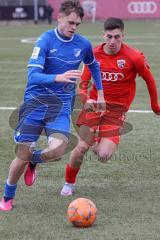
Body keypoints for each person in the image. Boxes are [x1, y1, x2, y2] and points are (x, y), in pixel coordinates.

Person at [0, 0, 105, 212]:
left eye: (77, 24)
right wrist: (59, 77)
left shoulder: (82, 44)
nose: (74, 27)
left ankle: (34, 160)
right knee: (21, 157)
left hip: (60, 107)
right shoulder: (44, 40)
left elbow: (94, 65)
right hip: (35, 104)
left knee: (57, 150)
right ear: (59, 17)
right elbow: (33, 76)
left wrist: (100, 93)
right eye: (70, 22)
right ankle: (7, 196)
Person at [60, 17, 160, 196]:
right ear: (103, 35)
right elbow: (83, 83)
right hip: (94, 106)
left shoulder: (134, 57)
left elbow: (150, 80)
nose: (112, 41)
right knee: (82, 146)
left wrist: (155, 106)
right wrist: (85, 99)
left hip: (116, 111)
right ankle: (68, 183)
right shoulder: (94, 54)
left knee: (104, 155)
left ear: (123, 36)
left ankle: (97, 141)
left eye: (116, 37)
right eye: (109, 37)